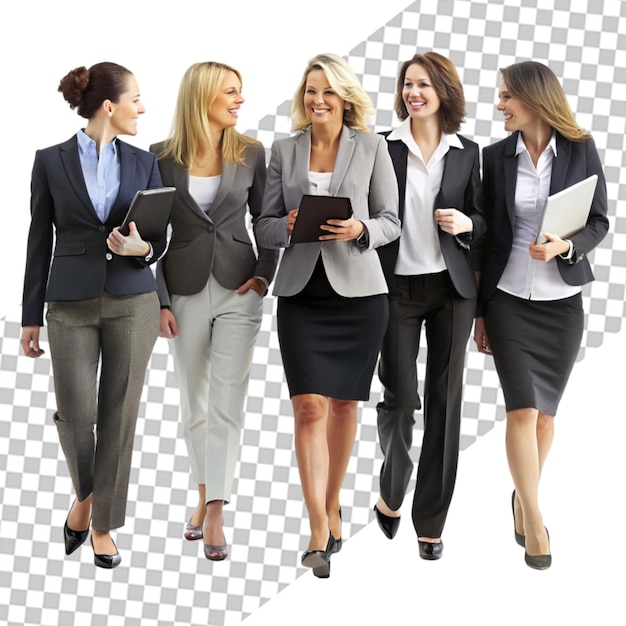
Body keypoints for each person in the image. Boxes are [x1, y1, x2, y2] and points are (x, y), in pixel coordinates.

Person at [255, 53, 400, 578]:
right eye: (311, 90)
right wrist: (288, 225)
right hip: (300, 294)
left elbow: (392, 221)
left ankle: (333, 502)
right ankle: (318, 526)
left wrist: (360, 230)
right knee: (308, 408)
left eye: (328, 92)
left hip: (359, 296)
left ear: (345, 98)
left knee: (343, 408)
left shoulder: (373, 146)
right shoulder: (284, 148)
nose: (318, 100)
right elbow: (263, 226)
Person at [20, 62, 165, 569]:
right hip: (69, 304)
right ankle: (87, 497)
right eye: (136, 99)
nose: (142, 109)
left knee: (120, 416)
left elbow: (159, 238)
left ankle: (100, 522)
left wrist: (141, 247)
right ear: (110, 106)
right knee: (77, 416)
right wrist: (29, 315)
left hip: (132, 302)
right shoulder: (50, 161)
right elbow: (39, 240)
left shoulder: (145, 162)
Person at [474, 61, 608, 569]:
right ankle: (534, 517)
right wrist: (481, 313)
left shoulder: (579, 148)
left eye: (507, 96)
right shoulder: (495, 158)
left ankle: (518, 496)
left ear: (533, 98)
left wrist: (565, 248)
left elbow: (598, 221)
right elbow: (486, 240)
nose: (500, 105)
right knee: (522, 411)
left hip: (562, 303)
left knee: (547, 416)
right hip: (507, 298)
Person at [151, 62, 278, 561]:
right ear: (203, 96)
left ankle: (217, 508)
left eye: (240, 92)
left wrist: (265, 275)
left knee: (227, 400)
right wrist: (160, 299)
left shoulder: (250, 153)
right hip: (181, 289)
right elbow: (148, 235)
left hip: (238, 287)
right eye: (230, 92)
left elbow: (267, 219)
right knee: (193, 404)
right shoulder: (159, 158)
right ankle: (203, 492)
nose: (239, 100)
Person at [373, 52, 485, 560]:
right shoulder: (382, 147)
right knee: (399, 399)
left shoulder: (467, 152)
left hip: (450, 291)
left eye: (423, 85)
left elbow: (486, 223)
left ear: (443, 91)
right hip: (394, 287)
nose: (413, 93)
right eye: (407, 85)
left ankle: (431, 522)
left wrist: (468, 225)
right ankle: (393, 487)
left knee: (445, 401)